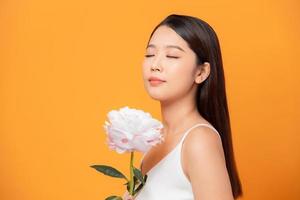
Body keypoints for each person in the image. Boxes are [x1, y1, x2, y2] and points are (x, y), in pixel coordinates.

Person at [123, 14, 243, 200]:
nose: (155, 65)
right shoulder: (153, 139)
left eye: (171, 55)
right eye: (150, 54)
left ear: (201, 72)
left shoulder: (199, 141)